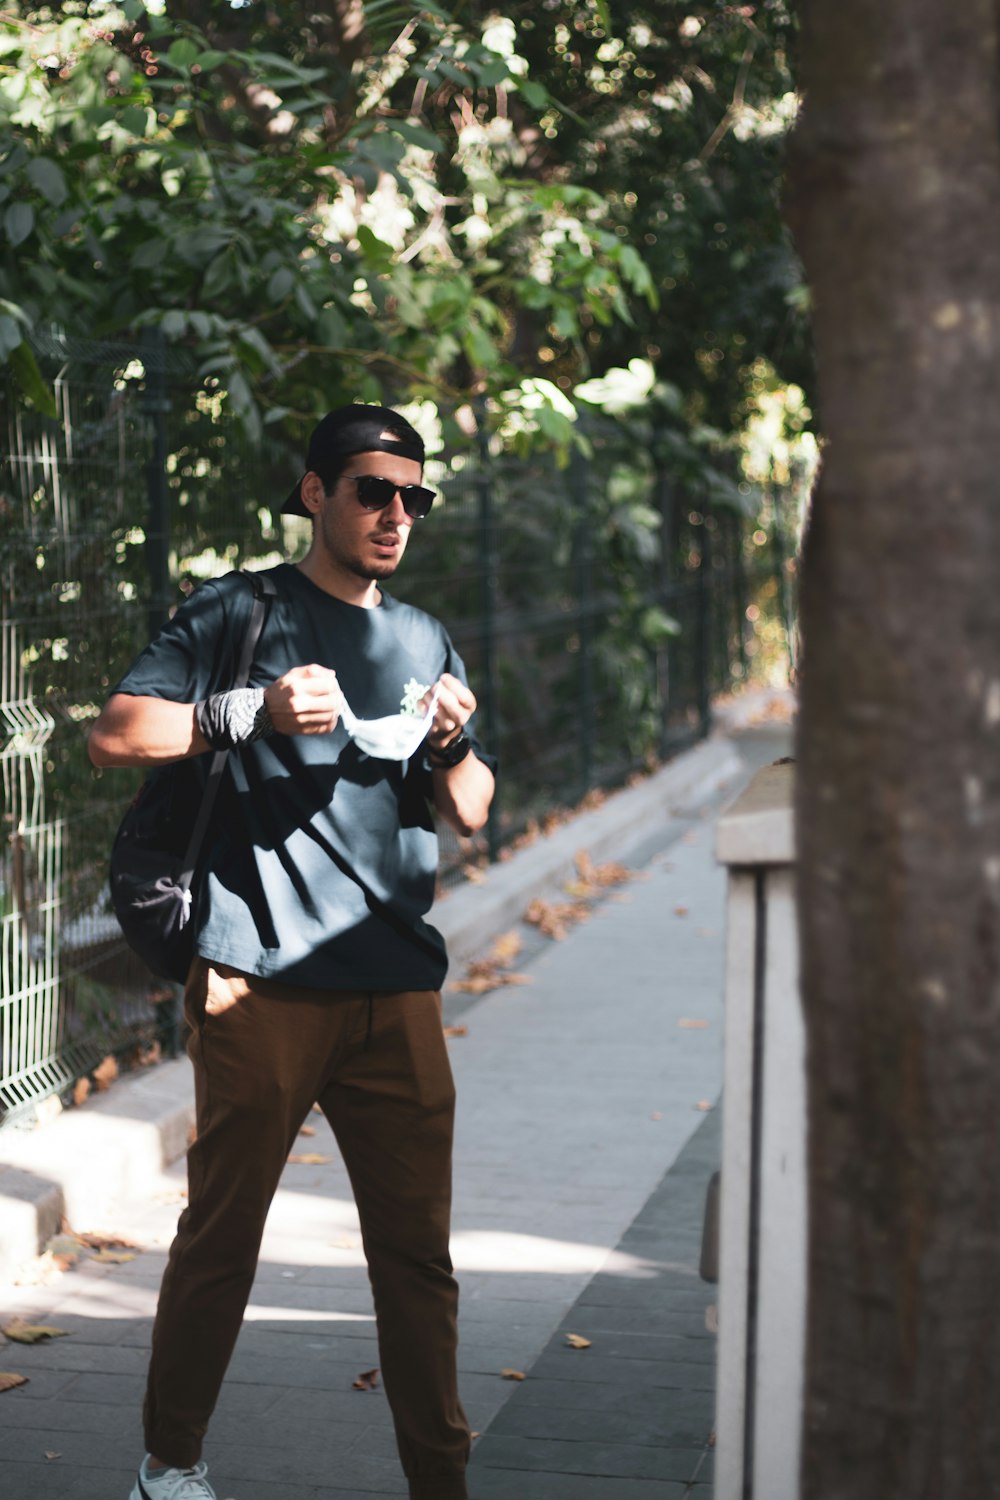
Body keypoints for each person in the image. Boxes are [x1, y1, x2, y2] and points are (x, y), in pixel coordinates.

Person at [89, 404, 496, 1500]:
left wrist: (455, 741)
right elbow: (115, 731)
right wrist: (247, 713)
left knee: (418, 1264)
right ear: (314, 492)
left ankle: (441, 1482)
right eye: (373, 490)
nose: (395, 515)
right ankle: (168, 1468)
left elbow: (472, 808)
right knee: (222, 1237)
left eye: (414, 497)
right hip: (256, 979)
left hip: (398, 987)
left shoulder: (420, 639)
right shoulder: (240, 609)